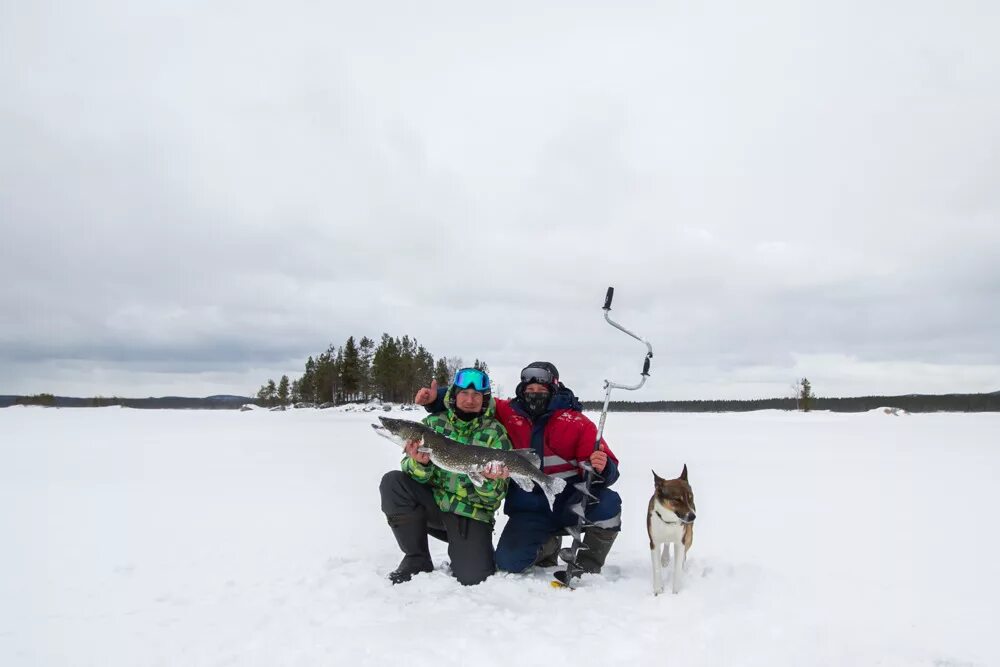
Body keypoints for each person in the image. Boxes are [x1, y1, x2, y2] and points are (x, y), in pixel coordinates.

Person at [415, 361, 621, 575]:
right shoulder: (509, 412)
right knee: (508, 562)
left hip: (570, 502)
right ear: (522, 391)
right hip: (529, 508)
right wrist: (436, 397)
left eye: (541, 390)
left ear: (554, 390)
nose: (535, 394)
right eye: (530, 390)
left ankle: (589, 564)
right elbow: (473, 401)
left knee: (608, 503)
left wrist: (604, 467)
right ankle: (548, 544)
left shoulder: (577, 422)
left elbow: (608, 470)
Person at [379, 366, 513, 586]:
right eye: (464, 393)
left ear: (485, 399)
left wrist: (488, 482)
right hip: (434, 507)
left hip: (471, 514)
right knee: (394, 483)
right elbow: (411, 475)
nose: (470, 400)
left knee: (474, 577)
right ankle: (416, 557)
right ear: (453, 395)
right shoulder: (433, 425)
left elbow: (494, 499)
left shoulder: (495, 433)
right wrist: (419, 465)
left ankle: (468, 547)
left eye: (476, 395)